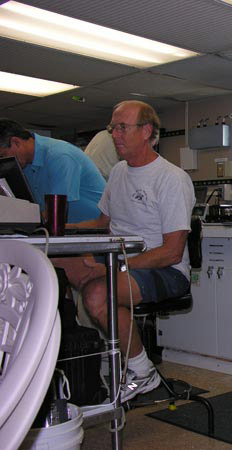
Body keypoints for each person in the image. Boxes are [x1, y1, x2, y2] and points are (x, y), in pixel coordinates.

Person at [55, 100, 195, 401]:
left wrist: (112, 269)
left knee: (97, 295)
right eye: (112, 128)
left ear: (147, 131)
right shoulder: (119, 172)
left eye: (122, 127)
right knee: (58, 261)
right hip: (119, 262)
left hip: (166, 270)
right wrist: (59, 230)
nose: (114, 135)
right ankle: (66, 359)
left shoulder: (171, 178)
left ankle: (141, 371)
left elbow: (171, 252)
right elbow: (101, 222)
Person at [0, 118, 106, 222]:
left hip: (95, 232)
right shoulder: (24, 163)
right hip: (66, 231)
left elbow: (55, 212)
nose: (4, 162)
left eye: (2, 156)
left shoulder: (59, 155)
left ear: (16, 142)